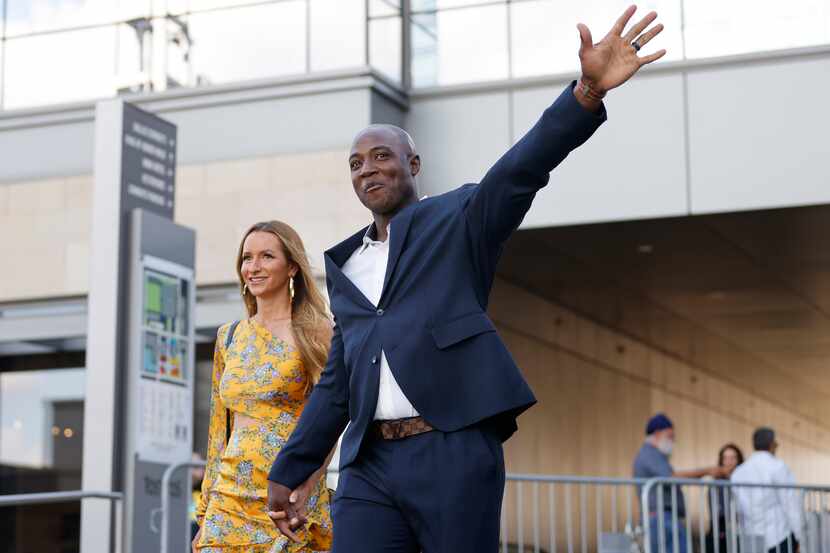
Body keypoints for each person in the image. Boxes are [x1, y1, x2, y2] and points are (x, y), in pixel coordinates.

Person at [267, 6, 667, 553]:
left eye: (382, 156)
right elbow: (339, 382)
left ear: (414, 164)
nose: (368, 169)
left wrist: (586, 93)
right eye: (356, 163)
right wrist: (291, 468)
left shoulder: (457, 221)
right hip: (368, 468)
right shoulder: (346, 267)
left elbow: (520, 169)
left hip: (452, 451)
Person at [193, 221, 333, 553]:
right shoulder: (229, 335)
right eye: (247, 258)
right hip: (229, 495)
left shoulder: (315, 331)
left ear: (292, 267)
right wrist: (205, 512)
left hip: (287, 490)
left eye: (267, 256)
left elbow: (330, 416)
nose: (253, 268)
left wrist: (309, 484)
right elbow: (218, 431)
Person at [633, 413, 725, 553]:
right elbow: (671, 477)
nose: (673, 441)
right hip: (661, 518)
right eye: (670, 437)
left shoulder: (654, 455)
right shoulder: (650, 454)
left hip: (663, 517)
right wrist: (706, 471)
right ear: (657, 434)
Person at [731, 427, 803, 553]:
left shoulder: (738, 472)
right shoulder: (778, 467)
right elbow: (790, 504)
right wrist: (800, 536)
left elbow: (738, 509)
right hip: (778, 535)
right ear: (772, 444)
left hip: (750, 535)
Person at [706, 444, 744, 553]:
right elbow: (716, 512)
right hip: (722, 530)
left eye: (733, 458)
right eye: (726, 458)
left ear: (739, 460)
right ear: (721, 460)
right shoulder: (716, 483)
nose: (729, 461)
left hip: (742, 529)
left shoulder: (745, 480)